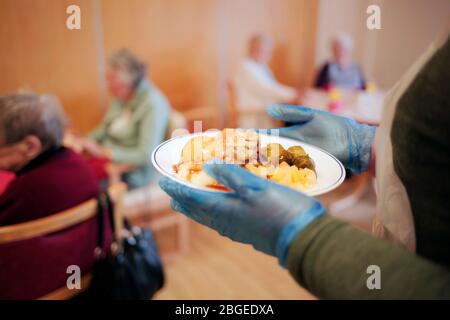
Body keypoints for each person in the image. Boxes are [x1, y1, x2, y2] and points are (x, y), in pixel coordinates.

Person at [159, 31, 450, 298]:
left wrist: (308, 237)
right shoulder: (249, 68)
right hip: (253, 119)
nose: (265, 53)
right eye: (261, 49)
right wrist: (369, 146)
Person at [0, 93, 112, 299]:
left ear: (30, 146)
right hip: (85, 272)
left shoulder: (27, 189)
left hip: (37, 285)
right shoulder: (77, 163)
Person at [79, 49, 171, 189]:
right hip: (106, 159)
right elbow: (105, 128)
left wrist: (105, 152)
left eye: (112, 79)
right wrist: (84, 141)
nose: (108, 85)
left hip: (131, 172)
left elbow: (146, 154)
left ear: (128, 81)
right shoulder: (122, 97)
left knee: (77, 183)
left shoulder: (153, 104)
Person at [232, 34, 299, 127]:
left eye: (268, 52)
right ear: (252, 50)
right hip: (252, 113)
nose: (266, 56)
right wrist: (293, 94)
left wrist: (292, 95)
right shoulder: (246, 67)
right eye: (262, 51)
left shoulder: (262, 67)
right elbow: (266, 89)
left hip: (263, 110)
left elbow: (274, 86)